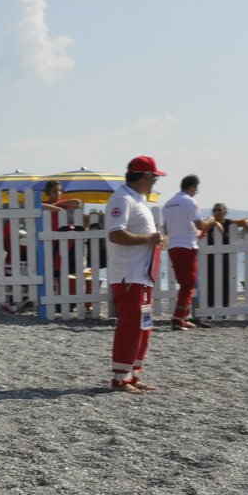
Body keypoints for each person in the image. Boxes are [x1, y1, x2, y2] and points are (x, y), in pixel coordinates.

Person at [105, 155, 169, 393]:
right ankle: (120, 377)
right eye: (154, 177)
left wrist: (156, 240)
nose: (155, 182)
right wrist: (149, 238)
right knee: (131, 326)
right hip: (128, 275)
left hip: (141, 276)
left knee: (143, 326)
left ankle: (132, 373)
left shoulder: (136, 200)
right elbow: (116, 234)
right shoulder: (122, 199)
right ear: (145, 176)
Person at [160, 174, 220, 330]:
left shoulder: (167, 204)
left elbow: (166, 228)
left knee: (184, 283)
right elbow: (200, 225)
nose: (196, 192)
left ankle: (183, 316)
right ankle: (178, 319)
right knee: (188, 284)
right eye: (196, 189)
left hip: (173, 246)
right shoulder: (189, 201)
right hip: (186, 247)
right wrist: (213, 219)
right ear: (192, 186)